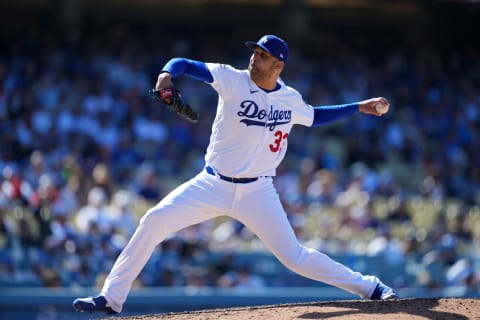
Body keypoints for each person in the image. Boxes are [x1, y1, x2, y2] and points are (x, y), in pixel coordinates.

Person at [73, 34, 398, 314]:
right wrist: (166, 75)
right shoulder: (231, 78)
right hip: (212, 184)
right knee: (154, 220)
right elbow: (183, 63)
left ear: (278, 66)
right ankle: (111, 298)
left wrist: (358, 106)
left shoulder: (289, 98)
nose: (254, 58)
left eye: (263, 56)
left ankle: (369, 287)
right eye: (254, 52)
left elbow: (315, 116)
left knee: (295, 257)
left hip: (258, 192)